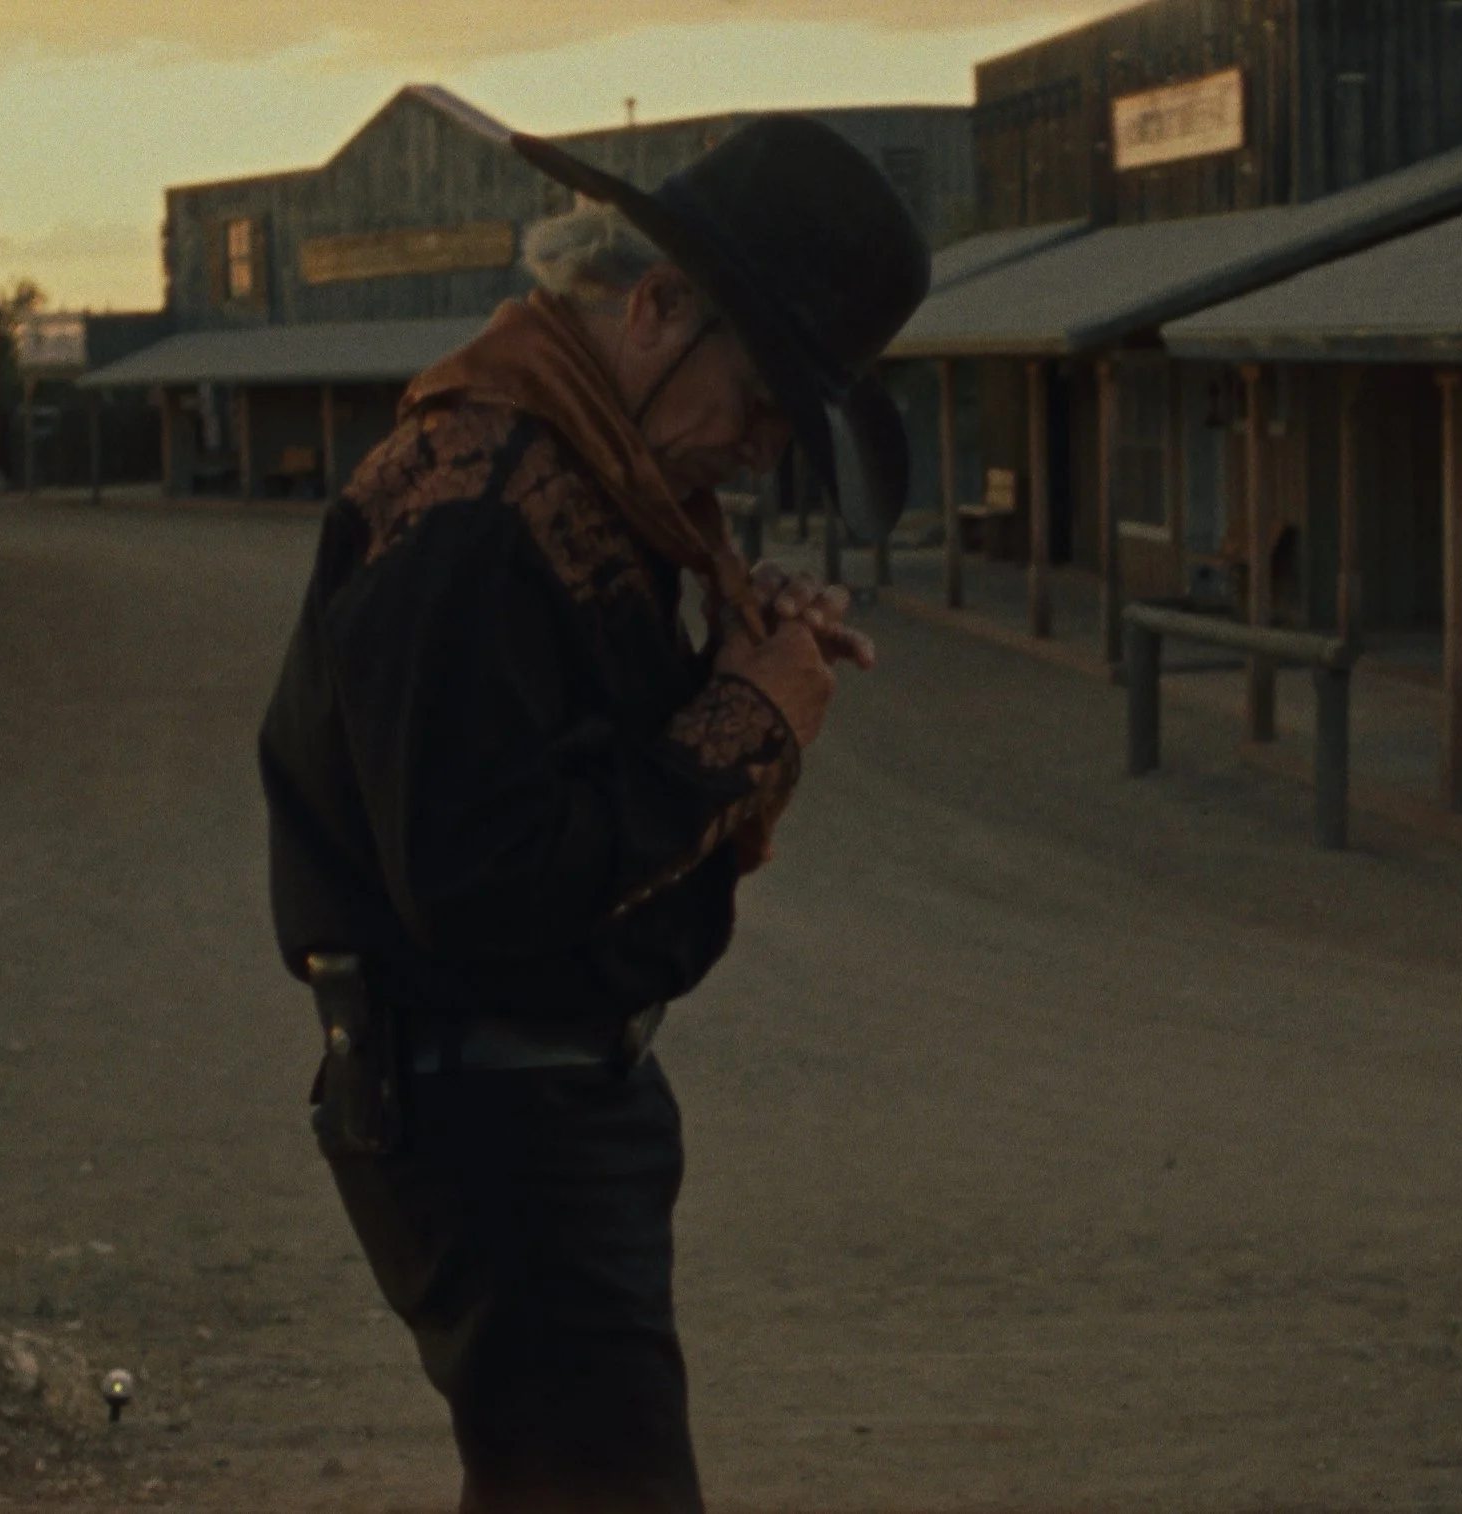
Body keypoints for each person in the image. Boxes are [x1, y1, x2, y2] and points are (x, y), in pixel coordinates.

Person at [258, 116, 931, 1514]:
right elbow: (481, 879)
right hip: (494, 1114)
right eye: (758, 404)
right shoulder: (479, 506)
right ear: (655, 307)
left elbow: (583, 783)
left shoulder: (583, 485)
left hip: (541, 1102)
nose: (757, 453)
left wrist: (735, 672)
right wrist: (740, 723)